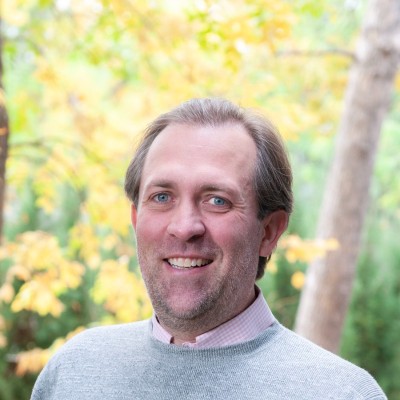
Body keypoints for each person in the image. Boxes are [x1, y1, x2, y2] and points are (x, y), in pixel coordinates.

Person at [31, 98, 386, 399]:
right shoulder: (73, 373)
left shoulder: (341, 393)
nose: (184, 227)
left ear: (269, 231)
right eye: (162, 197)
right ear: (136, 219)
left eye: (217, 200)